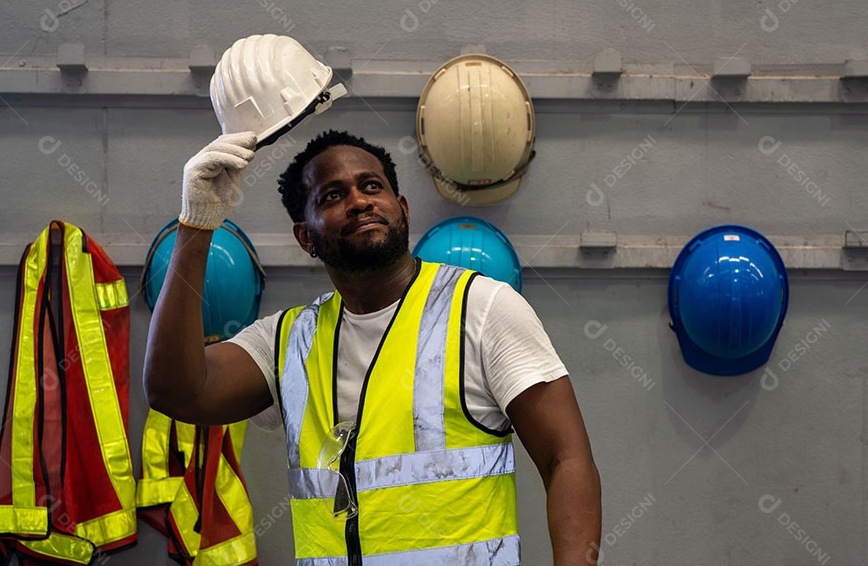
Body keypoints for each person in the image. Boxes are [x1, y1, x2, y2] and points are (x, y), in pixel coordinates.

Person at [144, 129, 602, 566]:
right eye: (333, 195)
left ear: (401, 208)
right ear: (306, 237)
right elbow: (176, 390)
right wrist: (197, 223)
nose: (359, 201)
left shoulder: (482, 309)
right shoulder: (286, 341)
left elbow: (566, 457)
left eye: (371, 186)